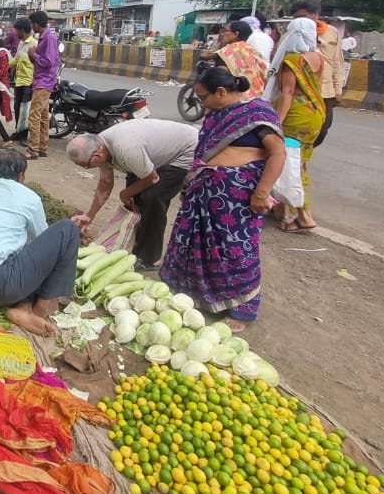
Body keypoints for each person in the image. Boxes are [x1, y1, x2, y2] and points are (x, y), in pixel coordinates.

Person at [160, 66, 287, 330]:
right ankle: (195, 295)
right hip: (204, 191)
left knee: (234, 250)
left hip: (236, 198)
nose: (201, 104)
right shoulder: (215, 114)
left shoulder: (257, 113)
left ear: (221, 91)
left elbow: (278, 154)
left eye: (203, 97)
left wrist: (262, 192)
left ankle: (241, 309)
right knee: (195, 244)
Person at [0, 148, 83, 337]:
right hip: (3, 286)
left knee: (16, 249)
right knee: (68, 229)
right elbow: (41, 239)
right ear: (21, 175)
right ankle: (37, 311)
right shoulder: (30, 198)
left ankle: (22, 306)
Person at [66, 119, 199, 270]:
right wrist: (89, 216)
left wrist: (125, 193)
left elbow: (152, 178)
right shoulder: (100, 146)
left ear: (97, 154)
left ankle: (148, 258)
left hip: (185, 151)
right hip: (149, 156)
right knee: (135, 200)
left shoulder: (125, 148)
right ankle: (132, 244)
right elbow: (105, 183)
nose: (87, 168)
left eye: (86, 165)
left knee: (152, 198)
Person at [263, 17, 326, 232]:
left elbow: (287, 95)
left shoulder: (292, 62)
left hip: (296, 116)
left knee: (292, 165)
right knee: (299, 162)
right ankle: (281, 207)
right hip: (315, 114)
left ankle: (304, 215)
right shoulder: (319, 57)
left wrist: (276, 124)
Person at [290, 0, 345, 148]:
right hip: (301, 90)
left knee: (323, 127)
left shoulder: (331, 32)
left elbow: (337, 62)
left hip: (325, 90)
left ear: (315, 15)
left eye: (303, 16)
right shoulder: (293, 32)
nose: (299, 21)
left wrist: (338, 89)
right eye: (295, 18)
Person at [27, 12, 59, 159]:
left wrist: (34, 55)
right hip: (42, 80)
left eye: (32, 24)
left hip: (44, 81)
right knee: (44, 116)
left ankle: (33, 149)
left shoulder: (49, 38)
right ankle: (42, 147)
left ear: (35, 24)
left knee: (34, 115)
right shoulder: (44, 38)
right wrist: (33, 57)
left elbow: (49, 61)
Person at [212, 20, 269, 99]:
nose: (223, 33)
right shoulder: (252, 49)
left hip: (239, 98)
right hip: (259, 95)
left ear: (236, 34)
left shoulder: (227, 52)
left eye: (225, 30)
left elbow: (220, 76)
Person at [9, 18, 36, 143]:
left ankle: (24, 136)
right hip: (19, 81)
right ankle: (18, 131)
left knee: (25, 110)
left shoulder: (34, 44)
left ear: (22, 30)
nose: (16, 34)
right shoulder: (21, 44)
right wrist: (2, 66)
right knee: (17, 107)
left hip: (29, 83)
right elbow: (15, 60)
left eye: (17, 31)